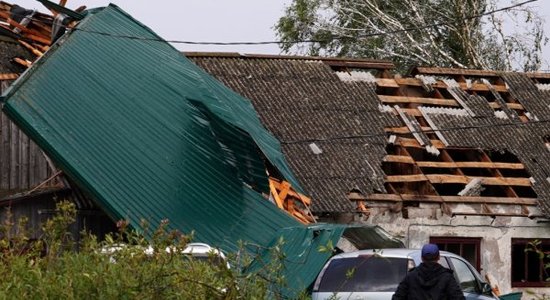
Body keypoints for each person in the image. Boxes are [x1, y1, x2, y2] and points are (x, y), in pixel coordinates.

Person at [392, 244, 465, 300]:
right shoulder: (447, 278)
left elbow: (397, 297)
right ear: (438, 257)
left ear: (422, 258)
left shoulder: (411, 276)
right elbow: (458, 298)